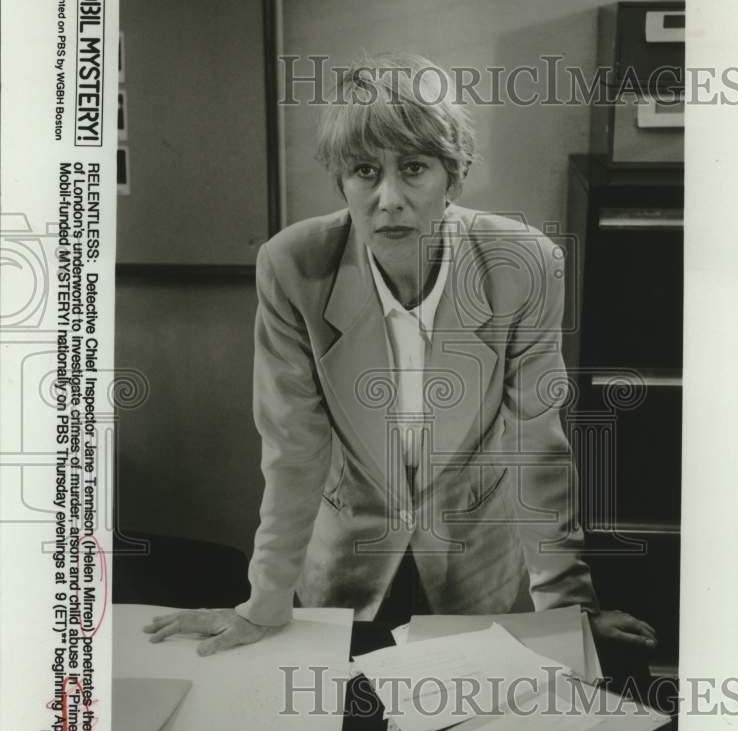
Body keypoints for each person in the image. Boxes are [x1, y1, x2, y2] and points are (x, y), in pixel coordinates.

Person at [145, 51, 657, 657]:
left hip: (479, 560)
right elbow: (293, 450)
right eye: (364, 170)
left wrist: (569, 612)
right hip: (345, 563)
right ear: (341, 181)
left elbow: (536, 448)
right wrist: (263, 603)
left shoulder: (524, 264)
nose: (388, 197)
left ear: (455, 176)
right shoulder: (291, 266)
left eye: (413, 168)